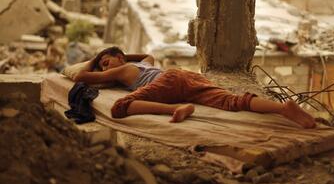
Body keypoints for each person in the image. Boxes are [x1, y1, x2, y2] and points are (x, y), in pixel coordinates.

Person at [74, 47, 315, 128]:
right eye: (102, 66)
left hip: (166, 84)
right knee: (230, 100)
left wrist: (95, 61)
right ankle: (283, 108)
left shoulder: (122, 70)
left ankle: (176, 109)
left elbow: (81, 76)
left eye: (107, 62)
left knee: (120, 107)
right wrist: (120, 55)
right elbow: (148, 53)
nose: (104, 69)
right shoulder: (144, 63)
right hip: (183, 76)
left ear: (120, 57)